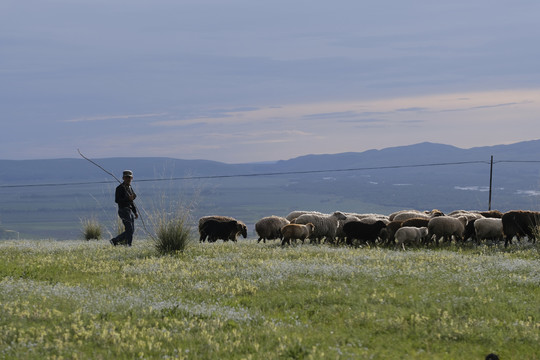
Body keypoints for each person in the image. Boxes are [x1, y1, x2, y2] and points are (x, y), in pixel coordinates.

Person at [110, 170, 138, 246]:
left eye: (129, 177)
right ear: (123, 178)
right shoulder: (119, 188)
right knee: (129, 229)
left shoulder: (129, 187)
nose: (128, 179)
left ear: (132, 178)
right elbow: (117, 200)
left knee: (131, 230)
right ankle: (128, 245)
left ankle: (116, 241)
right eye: (127, 177)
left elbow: (131, 201)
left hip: (129, 211)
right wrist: (128, 198)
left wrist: (135, 212)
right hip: (123, 210)